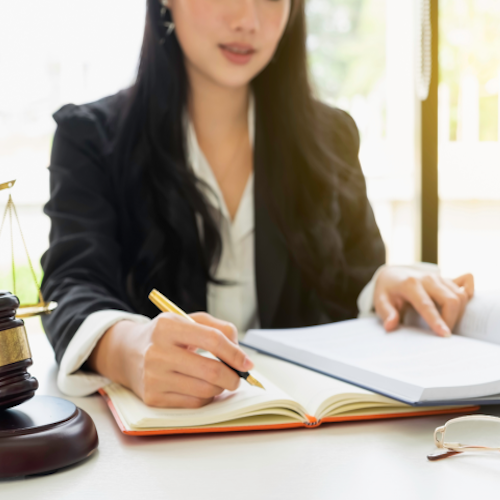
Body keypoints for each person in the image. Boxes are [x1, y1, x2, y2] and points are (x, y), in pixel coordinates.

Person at [41, 0, 474, 408]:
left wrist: (384, 285)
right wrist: (125, 348)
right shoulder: (90, 140)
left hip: (312, 445)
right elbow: (71, 286)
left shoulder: (332, 137)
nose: (248, 19)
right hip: (162, 455)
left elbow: (353, 279)